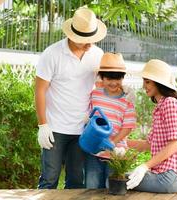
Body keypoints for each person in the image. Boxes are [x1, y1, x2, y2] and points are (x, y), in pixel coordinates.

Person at [35, 7, 107, 189]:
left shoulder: (97, 55)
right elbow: (40, 91)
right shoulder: (52, 54)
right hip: (55, 128)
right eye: (85, 41)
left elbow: (102, 87)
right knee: (49, 179)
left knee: (75, 181)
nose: (90, 44)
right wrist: (42, 125)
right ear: (73, 36)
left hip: (82, 129)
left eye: (92, 40)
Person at [126, 59, 177, 193]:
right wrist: (121, 142)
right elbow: (148, 144)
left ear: (159, 83)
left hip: (170, 176)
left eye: (147, 82)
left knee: (116, 181)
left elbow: (175, 144)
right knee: (118, 179)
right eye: (144, 81)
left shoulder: (170, 103)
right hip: (164, 175)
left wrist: (145, 166)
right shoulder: (160, 107)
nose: (144, 86)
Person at [85, 52, 136, 189]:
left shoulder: (127, 100)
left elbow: (128, 127)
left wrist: (112, 143)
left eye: (118, 78)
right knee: (92, 186)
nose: (114, 83)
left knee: (112, 187)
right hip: (94, 150)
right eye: (109, 78)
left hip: (116, 152)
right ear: (102, 77)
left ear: (123, 78)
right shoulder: (95, 95)